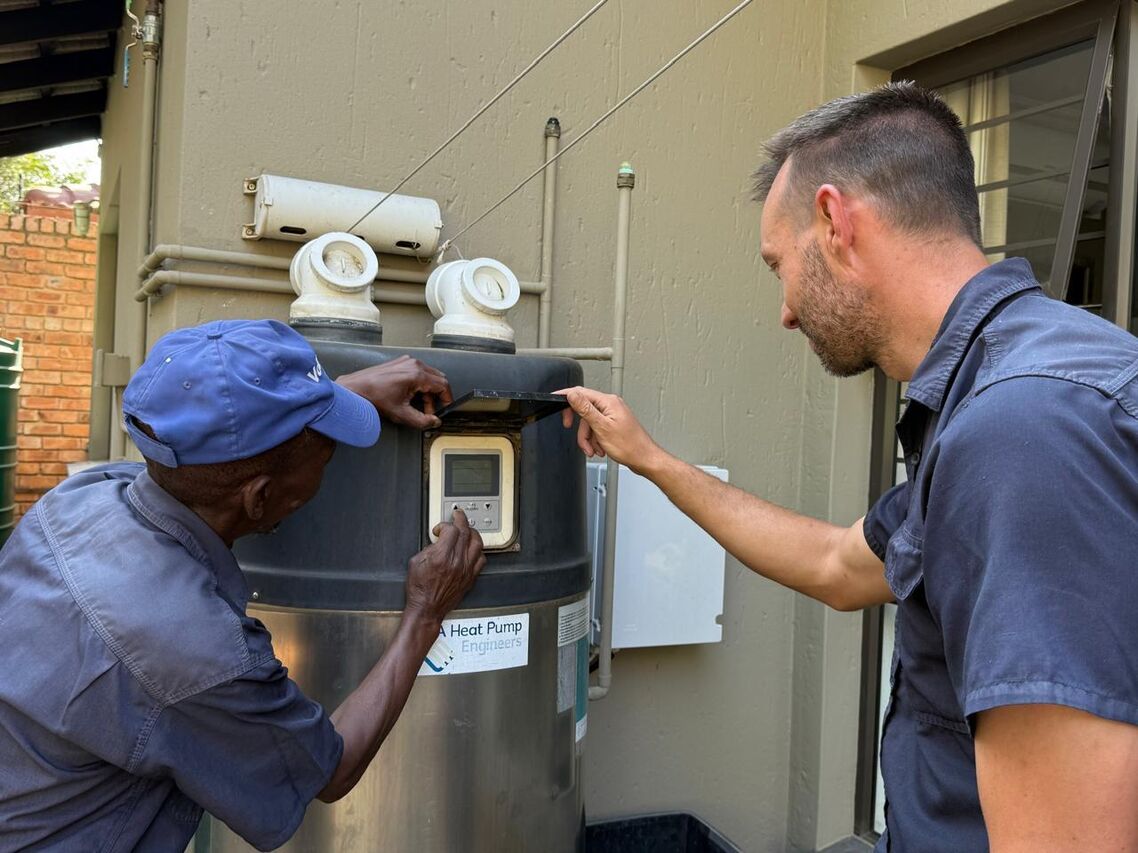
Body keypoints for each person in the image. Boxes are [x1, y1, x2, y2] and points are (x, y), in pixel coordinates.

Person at [560, 82, 1138, 851]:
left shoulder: (1023, 431)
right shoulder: (1003, 397)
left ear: (833, 222)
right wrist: (651, 460)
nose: (787, 310)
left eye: (779, 266)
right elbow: (837, 564)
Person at [0, 319, 486, 851]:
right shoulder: (194, 650)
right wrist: (425, 611)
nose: (329, 458)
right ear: (257, 499)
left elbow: (216, 451)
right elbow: (330, 769)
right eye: (326, 452)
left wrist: (326, 397)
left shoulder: (78, 500)